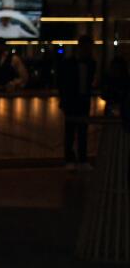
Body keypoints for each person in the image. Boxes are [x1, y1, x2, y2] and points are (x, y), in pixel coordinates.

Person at [58, 35, 98, 168]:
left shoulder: (90, 63)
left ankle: (81, 159)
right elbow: (62, 84)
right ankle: (71, 159)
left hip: (83, 101)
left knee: (82, 132)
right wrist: (63, 101)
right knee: (71, 132)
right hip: (72, 101)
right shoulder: (70, 63)